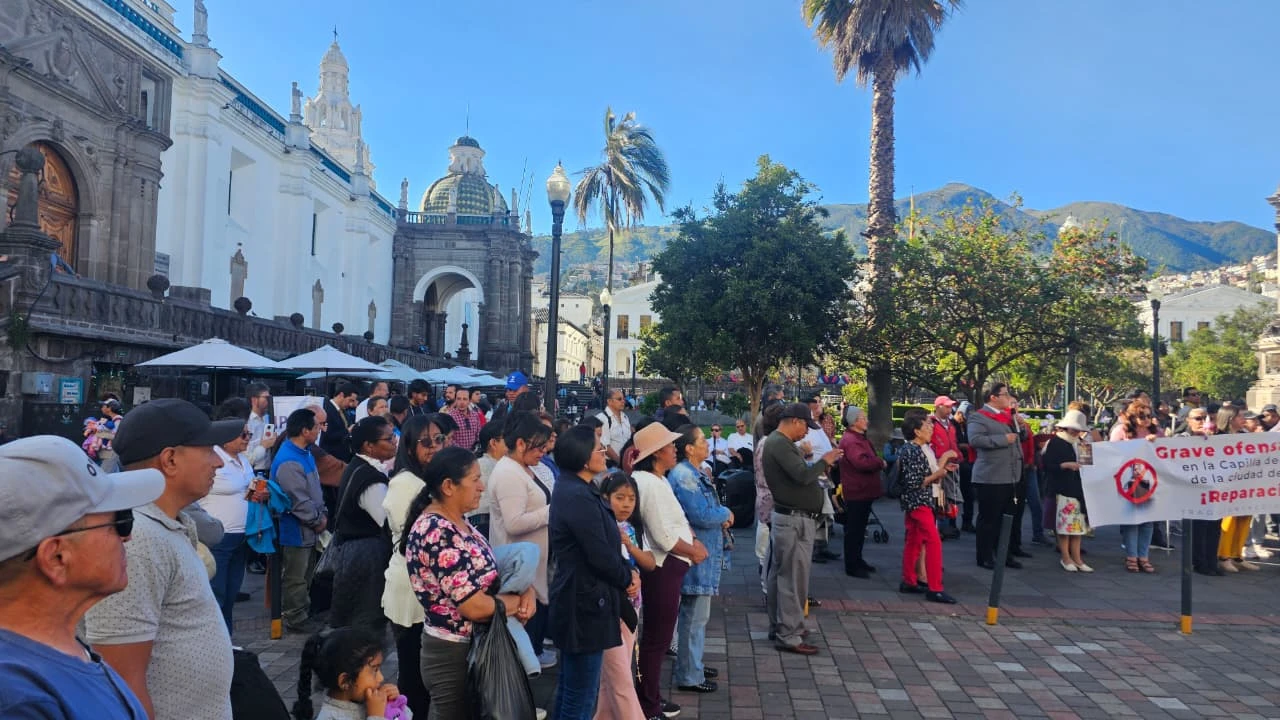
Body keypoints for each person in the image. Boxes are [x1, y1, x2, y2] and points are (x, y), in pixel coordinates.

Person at [83, 399, 243, 720]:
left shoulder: (163, 523)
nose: (218, 462)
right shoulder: (136, 537)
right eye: (209, 449)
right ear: (170, 459)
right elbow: (121, 679)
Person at [0, 436, 163, 719]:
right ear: (57, 558)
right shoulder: (18, 699)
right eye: (120, 522)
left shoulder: (59, 650)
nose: (128, 536)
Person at [402, 447, 534, 720]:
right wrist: (515, 602)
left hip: (475, 643)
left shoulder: (458, 521)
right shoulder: (436, 532)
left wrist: (527, 589)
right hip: (454, 652)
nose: (481, 487)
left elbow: (489, 569)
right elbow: (473, 607)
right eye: (474, 480)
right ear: (448, 486)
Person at [547, 426, 639, 720]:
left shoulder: (579, 488)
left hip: (585, 596)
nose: (603, 453)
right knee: (580, 697)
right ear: (584, 458)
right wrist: (626, 577)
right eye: (598, 449)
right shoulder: (576, 495)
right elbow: (599, 553)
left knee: (572, 688)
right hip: (584, 602)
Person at [631, 422, 705, 720]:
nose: (675, 448)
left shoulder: (657, 478)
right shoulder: (647, 481)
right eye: (669, 445)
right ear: (655, 452)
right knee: (656, 640)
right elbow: (662, 534)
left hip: (672, 562)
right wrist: (692, 549)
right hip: (663, 564)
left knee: (658, 639)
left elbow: (676, 522)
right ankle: (648, 705)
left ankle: (652, 698)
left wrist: (693, 542)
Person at [382, 414, 451, 718]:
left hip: (427, 585)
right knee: (412, 670)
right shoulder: (404, 483)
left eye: (439, 439)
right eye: (426, 442)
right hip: (410, 585)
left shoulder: (425, 479)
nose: (434, 446)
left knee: (424, 671)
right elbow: (413, 538)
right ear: (409, 448)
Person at [762, 403, 841, 656]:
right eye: (806, 425)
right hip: (794, 520)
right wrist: (823, 462)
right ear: (795, 421)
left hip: (791, 518)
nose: (806, 432)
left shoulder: (779, 442)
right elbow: (801, 476)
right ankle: (789, 634)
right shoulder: (779, 443)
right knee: (793, 579)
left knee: (782, 575)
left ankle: (783, 626)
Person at [488, 412, 555, 669]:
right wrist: (550, 512)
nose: (543, 452)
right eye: (538, 446)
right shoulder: (508, 474)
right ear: (519, 444)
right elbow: (513, 522)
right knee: (519, 635)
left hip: (531, 562)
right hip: (517, 565)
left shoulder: (522, 468)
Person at [667, 424, 731, 694]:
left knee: (696, 617)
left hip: (703, 553)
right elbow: (701, 514)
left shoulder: (692, 473)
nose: (708, 444)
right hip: (696, 555)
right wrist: (725, 513)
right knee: (694, 617)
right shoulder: (684, 476)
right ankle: (689, 674)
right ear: (689, 448)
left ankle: (692, 664)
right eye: (702, 440)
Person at [201, 399, 268, 630]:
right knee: (216, 592)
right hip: (220, 534)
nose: (247, 440)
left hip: (241, 534)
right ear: (226, 437)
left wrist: (257, 493)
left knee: (230, 593)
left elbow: (246, 489)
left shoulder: (242, 461)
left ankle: (228, 639)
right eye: (243, 436)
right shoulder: (214, 460)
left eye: (249, 435)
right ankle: (215, 640)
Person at [330, 417, 398, 631]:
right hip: (364, 556)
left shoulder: (361, 467)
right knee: (366, 619)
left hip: (358, 551)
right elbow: (388, 523)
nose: (395, 441)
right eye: (388, 438)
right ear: (369, 445)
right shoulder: (369, 479)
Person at [596, 472, 652, 720]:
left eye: (631, 498)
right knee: (619, 677)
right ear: (605, 498)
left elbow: (648, 563)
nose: (627, 504)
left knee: (613, 677)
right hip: (609, 607)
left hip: (631, 608)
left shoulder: (632, 528)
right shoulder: (598, 527)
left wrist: (630, 549)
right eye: (620, 498)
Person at [273, 407, 330, 633]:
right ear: (305, 431)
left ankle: (303, 612)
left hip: (310, 527)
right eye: (316, 427)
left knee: (306, 573)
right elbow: (297, 499)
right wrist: (317, 519)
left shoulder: (304, 453)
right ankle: (295, 617)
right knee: (296, 576)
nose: (319, 430)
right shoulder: (289, 460)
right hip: (297, 529)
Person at [895, 413, 958, 604]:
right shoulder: (914, 451)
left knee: (915, 540)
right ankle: (935, 587)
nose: (931, 430)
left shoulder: (915, 449)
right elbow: (915, 482)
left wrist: (940, 472)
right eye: (927, 427)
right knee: (933, 541)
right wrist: (938, 473)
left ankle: (909, 580)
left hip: (916, 501)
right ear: (917, 432)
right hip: (919, 501)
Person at [968, 383, 1026, 570]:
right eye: (1005, 394)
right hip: (991, 476)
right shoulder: (978, 416)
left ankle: (1004, 554)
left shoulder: (1008, 417)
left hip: (1011, 475)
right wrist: (1002, 440)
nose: (1008, 398)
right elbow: (975, 440)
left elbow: (1019, 438)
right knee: (989, 519)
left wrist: (1022, 427)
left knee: (1008, 518)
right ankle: (984, 556)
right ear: (993, 397)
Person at [294, 626, 408, 720]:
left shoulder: (367, 702)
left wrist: (396, 705)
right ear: (345, 681)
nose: (381, 678)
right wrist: (376, 716)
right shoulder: (330, 717)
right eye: (374, 670)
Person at [1110, 399, 1160, 573]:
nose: (1146, 419)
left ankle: (1143, 556)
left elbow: (1168, 452)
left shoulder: (1156, 432)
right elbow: (1112, 453)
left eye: (1149, 415)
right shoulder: (1121, 431)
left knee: (1148, 521)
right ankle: (1132, 555)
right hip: (1129, 480)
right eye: (1141, 415)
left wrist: (1155, 443)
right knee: (1132, 520)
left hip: (1151, 481)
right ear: (1132, 416)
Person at [1042, 409, 1092, 573]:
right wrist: (1064, 466)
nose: (1076, 431)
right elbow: (1047, 466)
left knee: (1078, 526)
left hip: (1079, 490)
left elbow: (1089, 464)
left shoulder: (1082, 443)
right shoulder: (1055, 442)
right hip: (1061, 488)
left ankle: (1077, 558)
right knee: (1064, 526)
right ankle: (1066, 556)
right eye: (1074, 428)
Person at [838, 406, 884, 578]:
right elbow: (862, 463)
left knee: (858, 528)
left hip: (863, 489)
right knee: (854, 529)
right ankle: (852, 564)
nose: (867, 421)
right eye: (864, 418)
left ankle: (857, 560)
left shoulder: (857, 438)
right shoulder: (851, 440)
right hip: (857, 489)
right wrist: (879, 462)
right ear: (855, 421)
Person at [1215, 405, 1259, 573]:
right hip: (1227, 486)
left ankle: (1237, 555)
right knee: (1230, 519)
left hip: (1245, 485)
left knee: (1244, 518)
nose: (1244, 420)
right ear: (1230, 419)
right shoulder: (1218, 437)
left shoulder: (1246, 437)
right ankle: (1223, 556)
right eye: (1241, 416)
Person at [322, 382, 360, 462]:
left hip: (345, 457)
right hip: (332, 457)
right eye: (350, 400)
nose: (351, 404)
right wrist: (347, 431)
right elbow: (326, 436)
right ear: (341, 395)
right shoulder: (326, 409)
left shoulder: (344, 412)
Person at [596, 390, 632, 467]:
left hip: (625, 463)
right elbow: (604, 446)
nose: (623, 401)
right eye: (619, 399)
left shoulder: (625, 417)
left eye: (623, 399)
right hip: (609, 464)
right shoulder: (602, 418)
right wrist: (620, 462)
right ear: (609, 401)